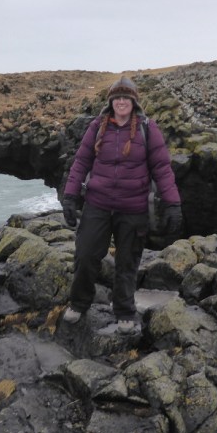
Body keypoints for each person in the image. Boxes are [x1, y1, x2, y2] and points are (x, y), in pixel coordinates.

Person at [61, 76, 182, 335]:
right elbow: (80, 163)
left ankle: (125, 309)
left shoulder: (148, 129)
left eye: (126, 97)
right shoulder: (97, 127)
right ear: (111, 101)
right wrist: (70, 197)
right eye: (117, 97)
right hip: (97, 204)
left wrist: (173, 204)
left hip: (134, 208)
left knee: (128, 261)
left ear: (134, 101)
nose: (121, 101)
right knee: (85, 254)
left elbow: (162, 169)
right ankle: (79, 302)